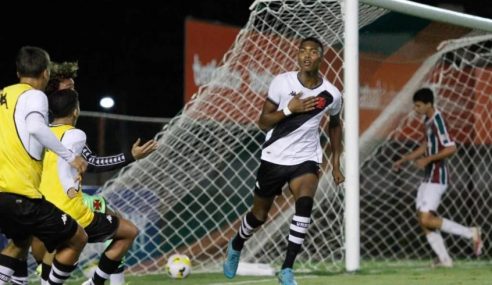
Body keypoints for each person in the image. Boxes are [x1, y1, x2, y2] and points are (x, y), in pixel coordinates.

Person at [223, 37, 344, 285]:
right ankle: (236, 244)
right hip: (274, 158)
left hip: (307, 159)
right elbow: (263, 122)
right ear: (298, 56)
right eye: (302, 51)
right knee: (259, 215)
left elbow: (335, 124)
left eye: (313, 52)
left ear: (322, 58)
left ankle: (287, 269)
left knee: (305, 205)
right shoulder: (282, 82)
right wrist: (291, 108)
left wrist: (336, 162)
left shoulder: (332, 94)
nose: (307, 55)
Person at [24, 61, 157, 285]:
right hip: (49, 200)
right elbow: (92, 162)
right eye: (70, 87)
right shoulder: (47, 124)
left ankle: (112, 280)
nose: (75, 91)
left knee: (107, 211)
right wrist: (130, 156)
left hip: (46, 202)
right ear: (55, 90)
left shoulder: (39, 123)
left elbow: (87, 162)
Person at [0, 46, 88, 285]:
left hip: (3, 193)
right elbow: (37, 128)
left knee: (20, 244)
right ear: (46, 72)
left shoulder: (4, 95)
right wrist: (71, 156)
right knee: (78, 238)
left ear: (18, 70)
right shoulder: (35, 95)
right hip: (22, 193)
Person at [38, 88, 139, 285]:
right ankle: (96, 282)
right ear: (75, 110)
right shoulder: (75, 135)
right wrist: (130, 156)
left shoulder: (40, 134)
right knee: (129, 231)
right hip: (71, 208)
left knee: (55, 247)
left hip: (42, 209)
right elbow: (92, 162)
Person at [393, 88, 482, 267]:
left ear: (428, 104)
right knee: (422, 220)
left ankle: (471, 233)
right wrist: (404, 159)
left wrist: (428, 159)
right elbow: (426, 145)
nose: (416, 109)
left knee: (426, 219)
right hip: (428, 177)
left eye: (418, 106)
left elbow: (451, 148)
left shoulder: (438, 120)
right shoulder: (428, 120)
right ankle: (444, 260)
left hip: (438, 177)